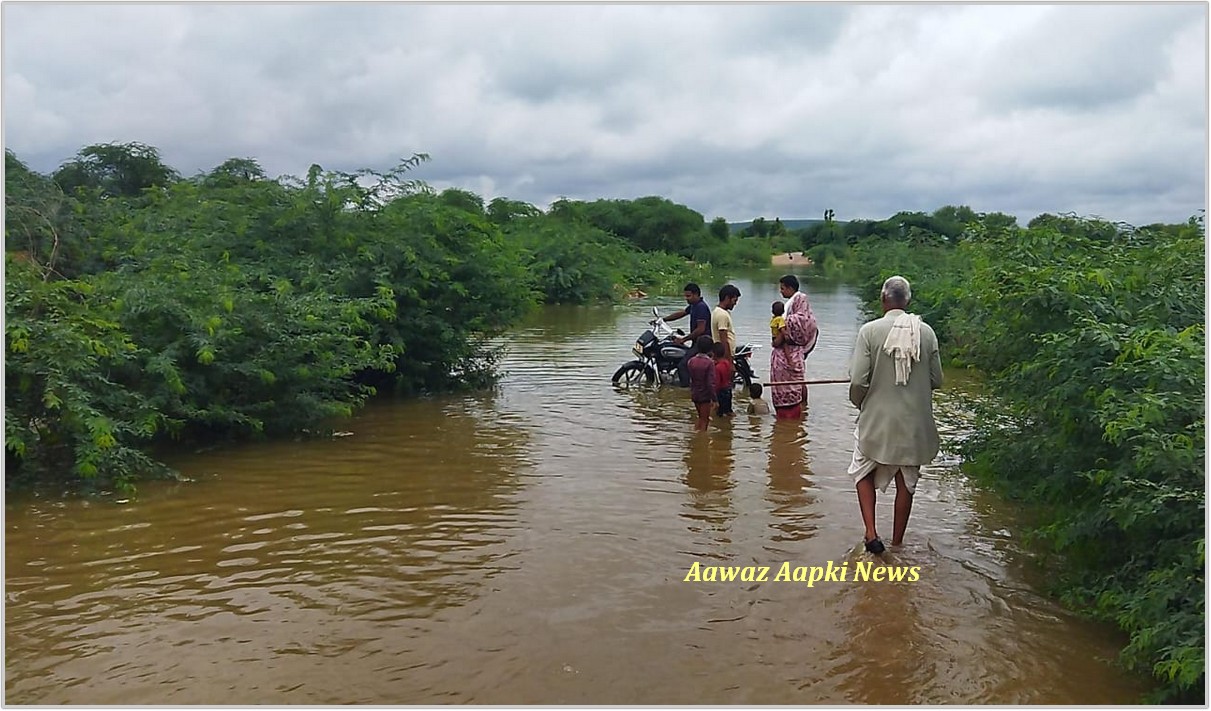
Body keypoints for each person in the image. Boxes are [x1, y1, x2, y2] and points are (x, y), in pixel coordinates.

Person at [846, 275, 943, 554]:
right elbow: (937, 379)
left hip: (876, 419)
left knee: (862, 470)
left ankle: (871, 533)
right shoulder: (926, 332)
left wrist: (861, 404)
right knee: (906, 483)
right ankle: (898, 544)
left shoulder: (869, 331)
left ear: (883, 300)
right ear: (908, 301)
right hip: (914, 424)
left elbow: (857, 382)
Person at [769, 275, 818, 419]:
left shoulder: (798, 303)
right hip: (793, 353)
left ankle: (798, 412)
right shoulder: (792, 306)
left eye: (782, 288)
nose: (781, 291)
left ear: (790, 288)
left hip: (791, 353)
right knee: (799, 380)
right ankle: (801, 416)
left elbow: (805, 323)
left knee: (797, 381)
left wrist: (783, 324)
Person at [662, 283, 713, 387]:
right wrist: (663, 320)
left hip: (702, 344)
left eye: (688, 296)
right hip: (696, 342)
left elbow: (700, 329)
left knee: (683, 365)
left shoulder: (701, 307)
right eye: (685, 296)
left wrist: (684, 339)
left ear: (696, 295)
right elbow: (682, 313)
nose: (686, 298)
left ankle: (686, 390)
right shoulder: (694, 306)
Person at [686, 335, 717, 431]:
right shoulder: (709, 363)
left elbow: (691, 379)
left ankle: (696, 436)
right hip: (705, 396)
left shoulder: (691, 361)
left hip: (695, 394)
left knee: (700, 417)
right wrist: (714, 399)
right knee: (705, 420)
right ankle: (702, 441)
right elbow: (710, 383)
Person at [711, 284, 741, 361]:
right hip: (724, 356)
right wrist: (729, 361)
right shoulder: (722, 315)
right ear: (727, 298)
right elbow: (723, 339)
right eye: (734, 300)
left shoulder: (717, 311)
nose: (735, 303)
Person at [712, 341, 735, 418]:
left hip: (721, 392)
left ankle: (722, 427)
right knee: (728, 411)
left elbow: (717, 383)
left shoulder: (717, 367)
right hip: (728, 389)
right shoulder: (727, 363)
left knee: (719, 414)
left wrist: (714, 396)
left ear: (713, 354)